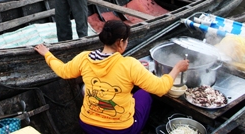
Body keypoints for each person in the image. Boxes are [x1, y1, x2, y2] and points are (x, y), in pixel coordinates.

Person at [34, 20, 190, 133]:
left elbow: (63, 71)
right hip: (121, 129)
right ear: (120, 43)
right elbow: (161, 88)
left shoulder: (84, 58)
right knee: (145, 94)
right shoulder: (129, 64)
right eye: (127, 41)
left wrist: (47, 54)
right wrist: (177, 68)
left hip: (87, 124)